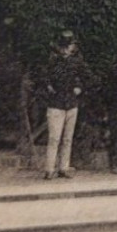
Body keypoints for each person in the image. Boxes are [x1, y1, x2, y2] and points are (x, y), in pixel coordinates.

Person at [42, 30, 85, 180]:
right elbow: (45, 78)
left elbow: (80, 76)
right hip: (56, 104)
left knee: (67, 138)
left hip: (71, 103)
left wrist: (79, 86)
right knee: (54, 138)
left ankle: (63, 167)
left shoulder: (75, 61)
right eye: (67, 46)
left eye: (70, 46)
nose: (69, 49)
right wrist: (49, 87)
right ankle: (49, 168)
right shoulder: (53, 61)